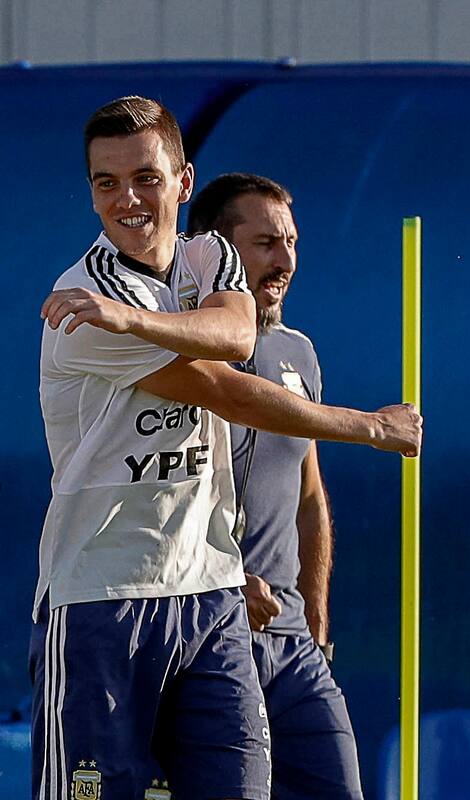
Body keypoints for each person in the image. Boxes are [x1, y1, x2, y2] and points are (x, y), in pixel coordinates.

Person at [34, 96, 421, 800]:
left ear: (184, 183)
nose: (128, 199)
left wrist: (134, 320)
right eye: (106, 182)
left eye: (146, 177)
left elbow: (239, 337)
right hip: (106, 596)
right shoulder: (80, 297)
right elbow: (227, 391)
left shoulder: (208, 257)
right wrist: (370, 425)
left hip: (208, 596)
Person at [186, 173, 363, 799]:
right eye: (265, 243)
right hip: (207, 627)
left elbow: (309, 496)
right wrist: (231, 578)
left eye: (290, 241)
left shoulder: (299, 354)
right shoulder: (179, 351)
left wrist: (315, 617)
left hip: (292, 642)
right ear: (215, 250)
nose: (286, 259)